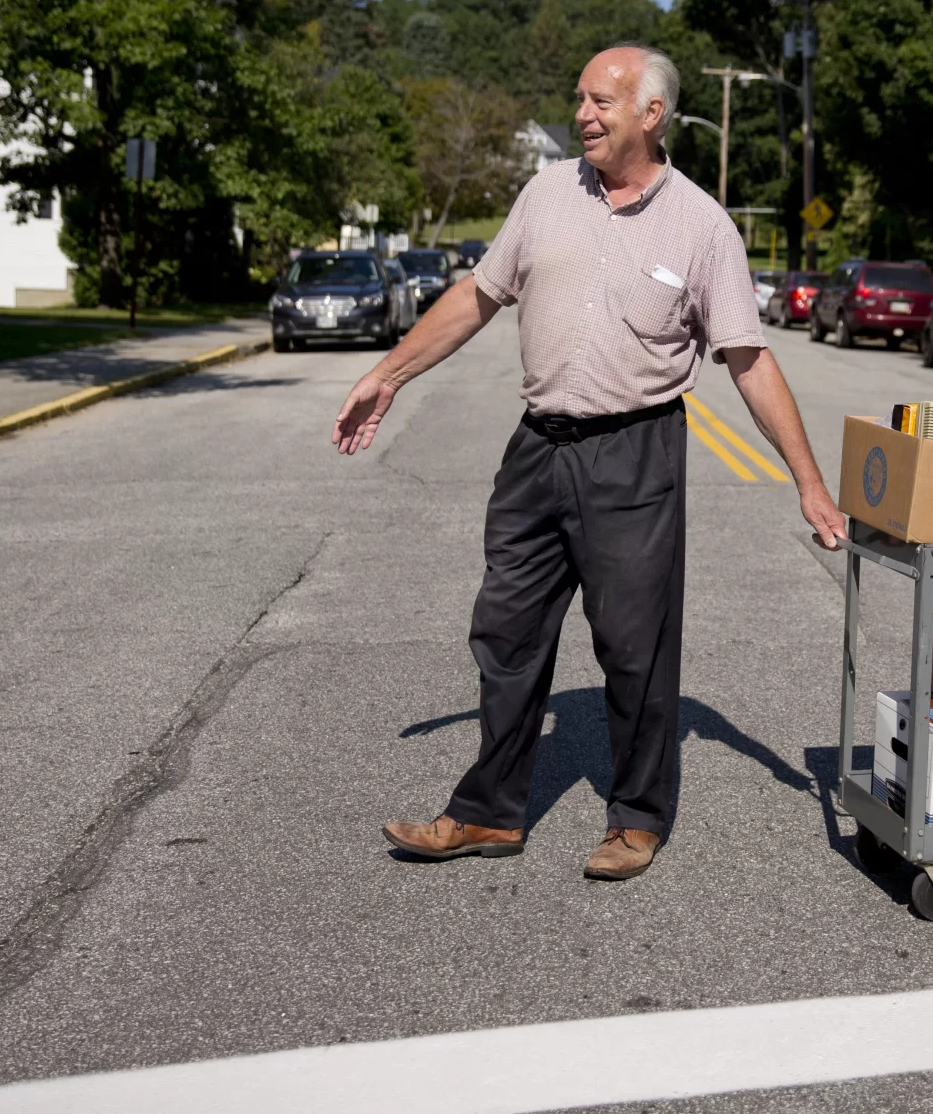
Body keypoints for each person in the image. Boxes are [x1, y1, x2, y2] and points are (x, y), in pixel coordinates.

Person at [332, 45, 846, 882]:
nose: (583, 114)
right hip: (537, 447)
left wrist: (809, 483)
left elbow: (748, 360)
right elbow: (476, 296)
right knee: (504, 632)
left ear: (652, 114)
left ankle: (636, 817)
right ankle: (488, 813)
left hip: (635, 452)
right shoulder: (544, 194)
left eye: (602, 101)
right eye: (578, 98)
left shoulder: (701, 225)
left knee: (634, 648)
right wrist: (385, 374)